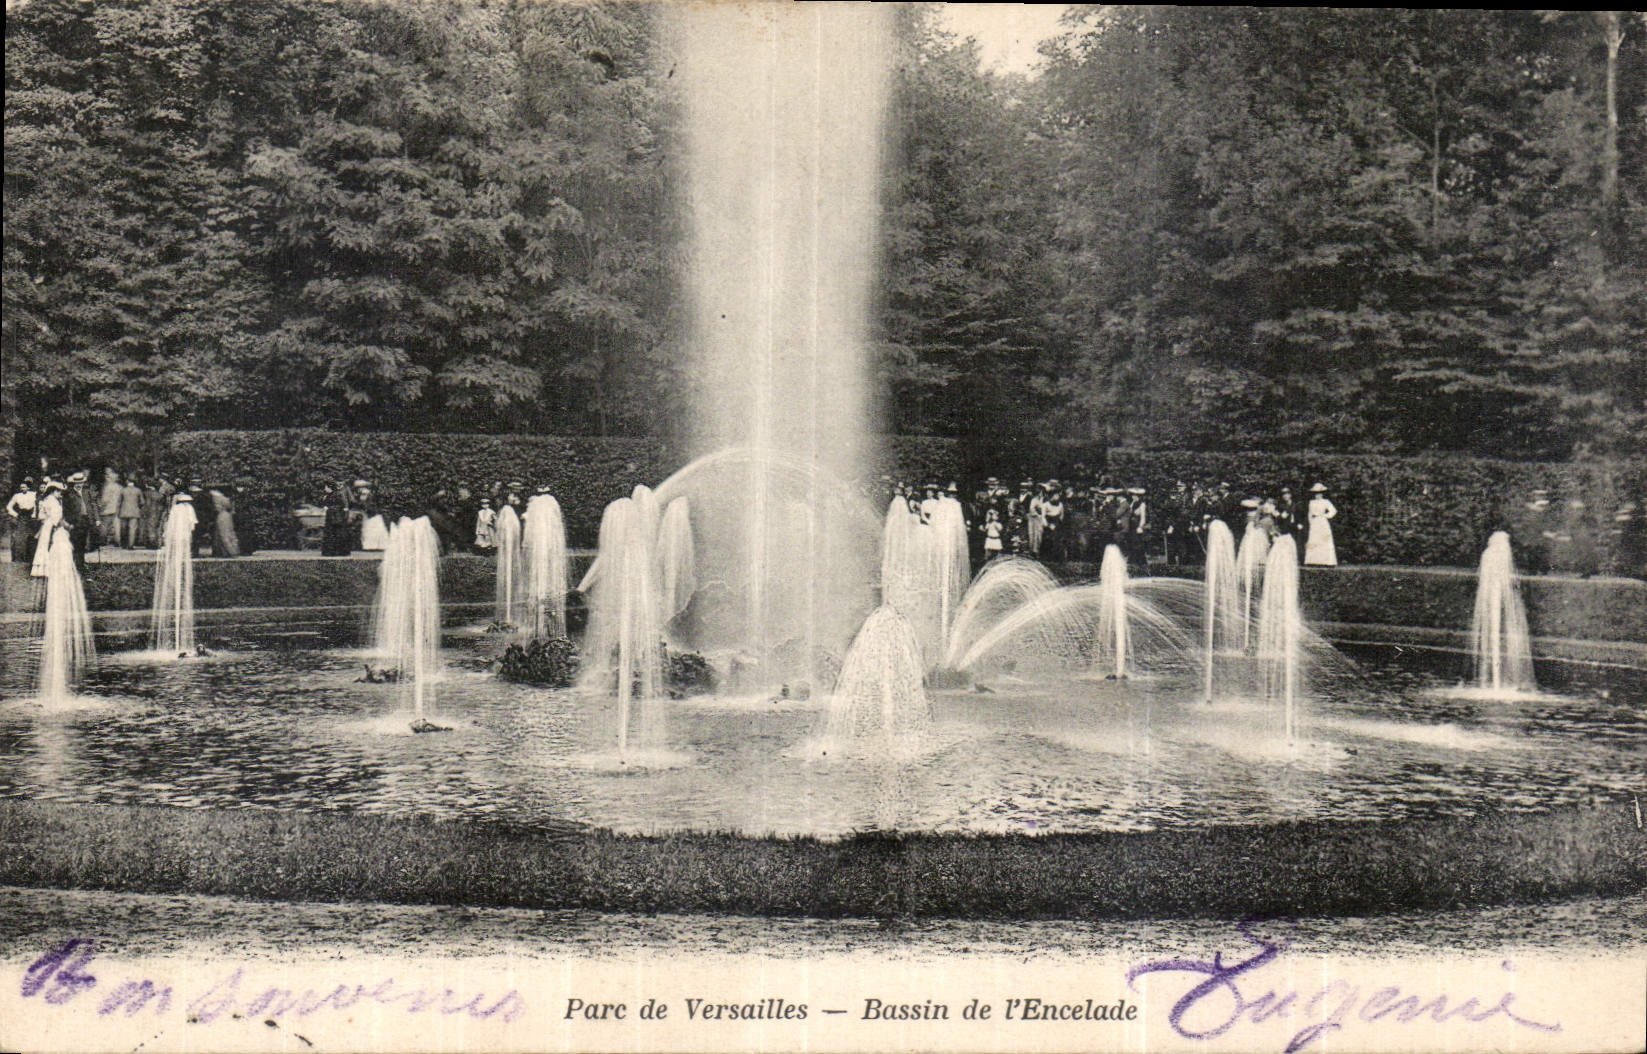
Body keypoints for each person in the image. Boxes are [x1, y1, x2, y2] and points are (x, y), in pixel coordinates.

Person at [31, 478, 66, 577]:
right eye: (58, 491)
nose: (60, 493)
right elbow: (54, 515)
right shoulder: (51, 501)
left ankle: (47, 569)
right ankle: (48, 569)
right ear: (53, 491)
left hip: (49, 524)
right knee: (49, 544)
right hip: (51, 525)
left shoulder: (51, 500)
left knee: (47, 544)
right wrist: (57, 524)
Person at [1304, 482, 1338, 566]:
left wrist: (1325, 516)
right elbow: (1309, 514)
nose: (1317, 495)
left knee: (1324, 539)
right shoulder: (1311, 502)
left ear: (1322, 494)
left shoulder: (1326, 502)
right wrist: (1311, 522)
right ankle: (1313, 561)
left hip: (1322, 522)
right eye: (1315, 493)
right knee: (1314, 539)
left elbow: (1333, 511)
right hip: (1315, 523)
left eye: (1319, 493)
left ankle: (1326, 561)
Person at [7, 477, 39, 563]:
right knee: (20, 538)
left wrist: (34, 514)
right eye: (21, 487)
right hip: (22, 517)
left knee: (31, 537)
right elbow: (9, 507)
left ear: (28, 487)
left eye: (24, 487)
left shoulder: (34, 494)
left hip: (31, 517)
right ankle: (19, 559)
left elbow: (36, 505)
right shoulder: (17, 496)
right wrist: (16, 514)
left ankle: (30, 558)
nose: (22, 489)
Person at [321, 480, 353, 556]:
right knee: (333, 533)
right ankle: (333, 551)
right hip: (332, 517)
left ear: (330, 488)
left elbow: (343, 505)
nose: (325, 489)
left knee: (336, 533)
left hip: (337, 517)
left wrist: (329, 508)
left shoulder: (337, 495)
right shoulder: (328, 496)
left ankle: (338, 551)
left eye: (326, 487)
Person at [209, 484, 241, 557]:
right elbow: (229, 506)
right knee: (227, 533)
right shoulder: (223, 499)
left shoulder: (214, 498)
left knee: (221, 533)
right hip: (225, 515)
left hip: (220, 516)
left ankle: (222, 551)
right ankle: (231, 551)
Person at [98, 466, 122, 548]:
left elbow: (105, 500)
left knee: (104, 526)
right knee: (116, 526)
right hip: (117, 509)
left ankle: (102, 541)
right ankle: (118, 541)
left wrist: (100, 507)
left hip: (107, 510)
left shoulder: (107, 487)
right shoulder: (120, 487)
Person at [118, 473, 143, 548]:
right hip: (135, 512)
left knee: (123, 528)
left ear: (127, 481)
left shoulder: (123, 490)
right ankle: (131, 545)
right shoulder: (138, 490)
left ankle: (124, 544)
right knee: (133, 529)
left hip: (124, 512)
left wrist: (119, 510)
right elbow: (142, 502)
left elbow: (119, 502)